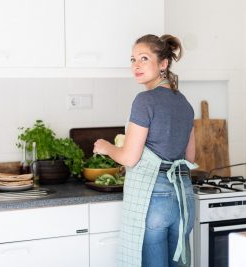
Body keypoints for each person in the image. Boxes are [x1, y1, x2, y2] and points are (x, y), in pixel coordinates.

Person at [93, 34, 196, 267]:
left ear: (163, 64)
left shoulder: (145, 100)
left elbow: (130, 158)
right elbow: (190, 158)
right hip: (183, 197)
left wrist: (107, 148)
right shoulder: (185, 103)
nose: (136, 65)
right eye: (133, 59)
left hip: (154, 197)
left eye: (144, 58)